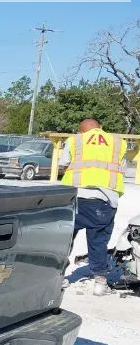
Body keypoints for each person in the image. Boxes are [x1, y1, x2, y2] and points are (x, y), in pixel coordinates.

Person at [60, 118, 127, 295]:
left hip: (74, 198)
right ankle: (100, 283)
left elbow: (63, 163)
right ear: (101, 128)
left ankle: (57, 278)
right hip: (104, 201)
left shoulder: (75, 140)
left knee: (64, 239)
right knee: (98, 241)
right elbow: (122, 167)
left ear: (81, 131)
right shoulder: (118, 143)